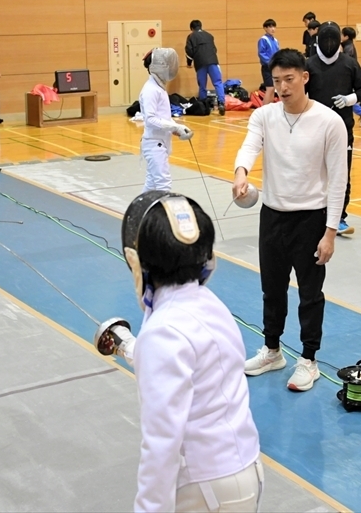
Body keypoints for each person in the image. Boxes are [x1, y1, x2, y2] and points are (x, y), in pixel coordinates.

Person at [102, 191, 263, 512]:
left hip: (206, 488)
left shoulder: (163, 331)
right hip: (245, 468)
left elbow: (162, 444)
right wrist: (127, 346)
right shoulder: (211, 306)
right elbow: (194, 367)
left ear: (137, 260)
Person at [232, 49, 348, 392]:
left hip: (311, 220)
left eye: (289, 79)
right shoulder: (265, 116)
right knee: (272, 289)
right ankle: (272, 351)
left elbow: (339, 179)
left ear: (304, 78)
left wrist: (330, 233)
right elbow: (249, 146)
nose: (282, 87)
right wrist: (241, 174)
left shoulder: (330, 122)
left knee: (310, 294)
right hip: (272, 216)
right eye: (277, 81)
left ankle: (309, 360)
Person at [306, 22, 361, 236]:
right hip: (313, 130)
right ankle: (314, 215)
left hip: (343, 129)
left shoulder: (349, 64)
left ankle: (339, 217)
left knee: (341, 174)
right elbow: (299, 93)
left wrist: (349, 99)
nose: (330, 44)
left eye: (334, 39)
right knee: (314, 173)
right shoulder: (309, 65)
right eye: (326, 39)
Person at [139, 48, 193, 192]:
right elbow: (150, 120)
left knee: (151, 185)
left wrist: (178, 128)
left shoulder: (159, 88)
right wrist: (174, 127)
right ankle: (163, 214)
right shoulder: (151, 90)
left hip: (159, 142)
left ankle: (140, 213)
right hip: (153, 144)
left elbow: (163, 118)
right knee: (163, 184)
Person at [185, 20, 226, 116]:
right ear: (201, 26)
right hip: (213, 61)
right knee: (218, 83)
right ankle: (221, 103)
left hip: (200, 63)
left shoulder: (191, 36)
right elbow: (214, 49)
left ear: (191, 28)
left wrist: (189, 63)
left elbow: (189, 51)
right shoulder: (209, 35)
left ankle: (203, 106)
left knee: (202, 86)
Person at [342, 26, 361, 127]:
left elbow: (346, 64)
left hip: (348, 76)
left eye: (342, 34)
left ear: (346, 36)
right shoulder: (348, 46)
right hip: (349, 75)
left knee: (346, 98)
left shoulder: (348, 49)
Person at [258, 19, 280, 105]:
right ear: (265, 28)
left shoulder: (275, 41)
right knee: (270, 88)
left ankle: (269, 108)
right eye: (270, 27)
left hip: (274, 67)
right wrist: (270, 63)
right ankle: (264, 110)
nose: (273, 29)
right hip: (267, 67)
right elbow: (261, 53)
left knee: (273, 88)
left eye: (274, 26)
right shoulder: (263, 40)